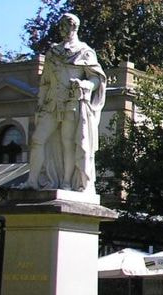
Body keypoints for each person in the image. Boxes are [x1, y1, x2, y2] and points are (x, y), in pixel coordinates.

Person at [26, 13, 107, 194]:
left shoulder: (84, 52)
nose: (63, 30)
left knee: (68, 143)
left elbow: (96, 79)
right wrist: (40, 103)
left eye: (66, 27)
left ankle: (66, 183)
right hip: (51, 104)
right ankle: (32, 180)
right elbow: (45, 82)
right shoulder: (53, 52)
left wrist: (85, 85)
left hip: (72, 102)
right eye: (61, 27)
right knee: (38, 139)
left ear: (74, 28)